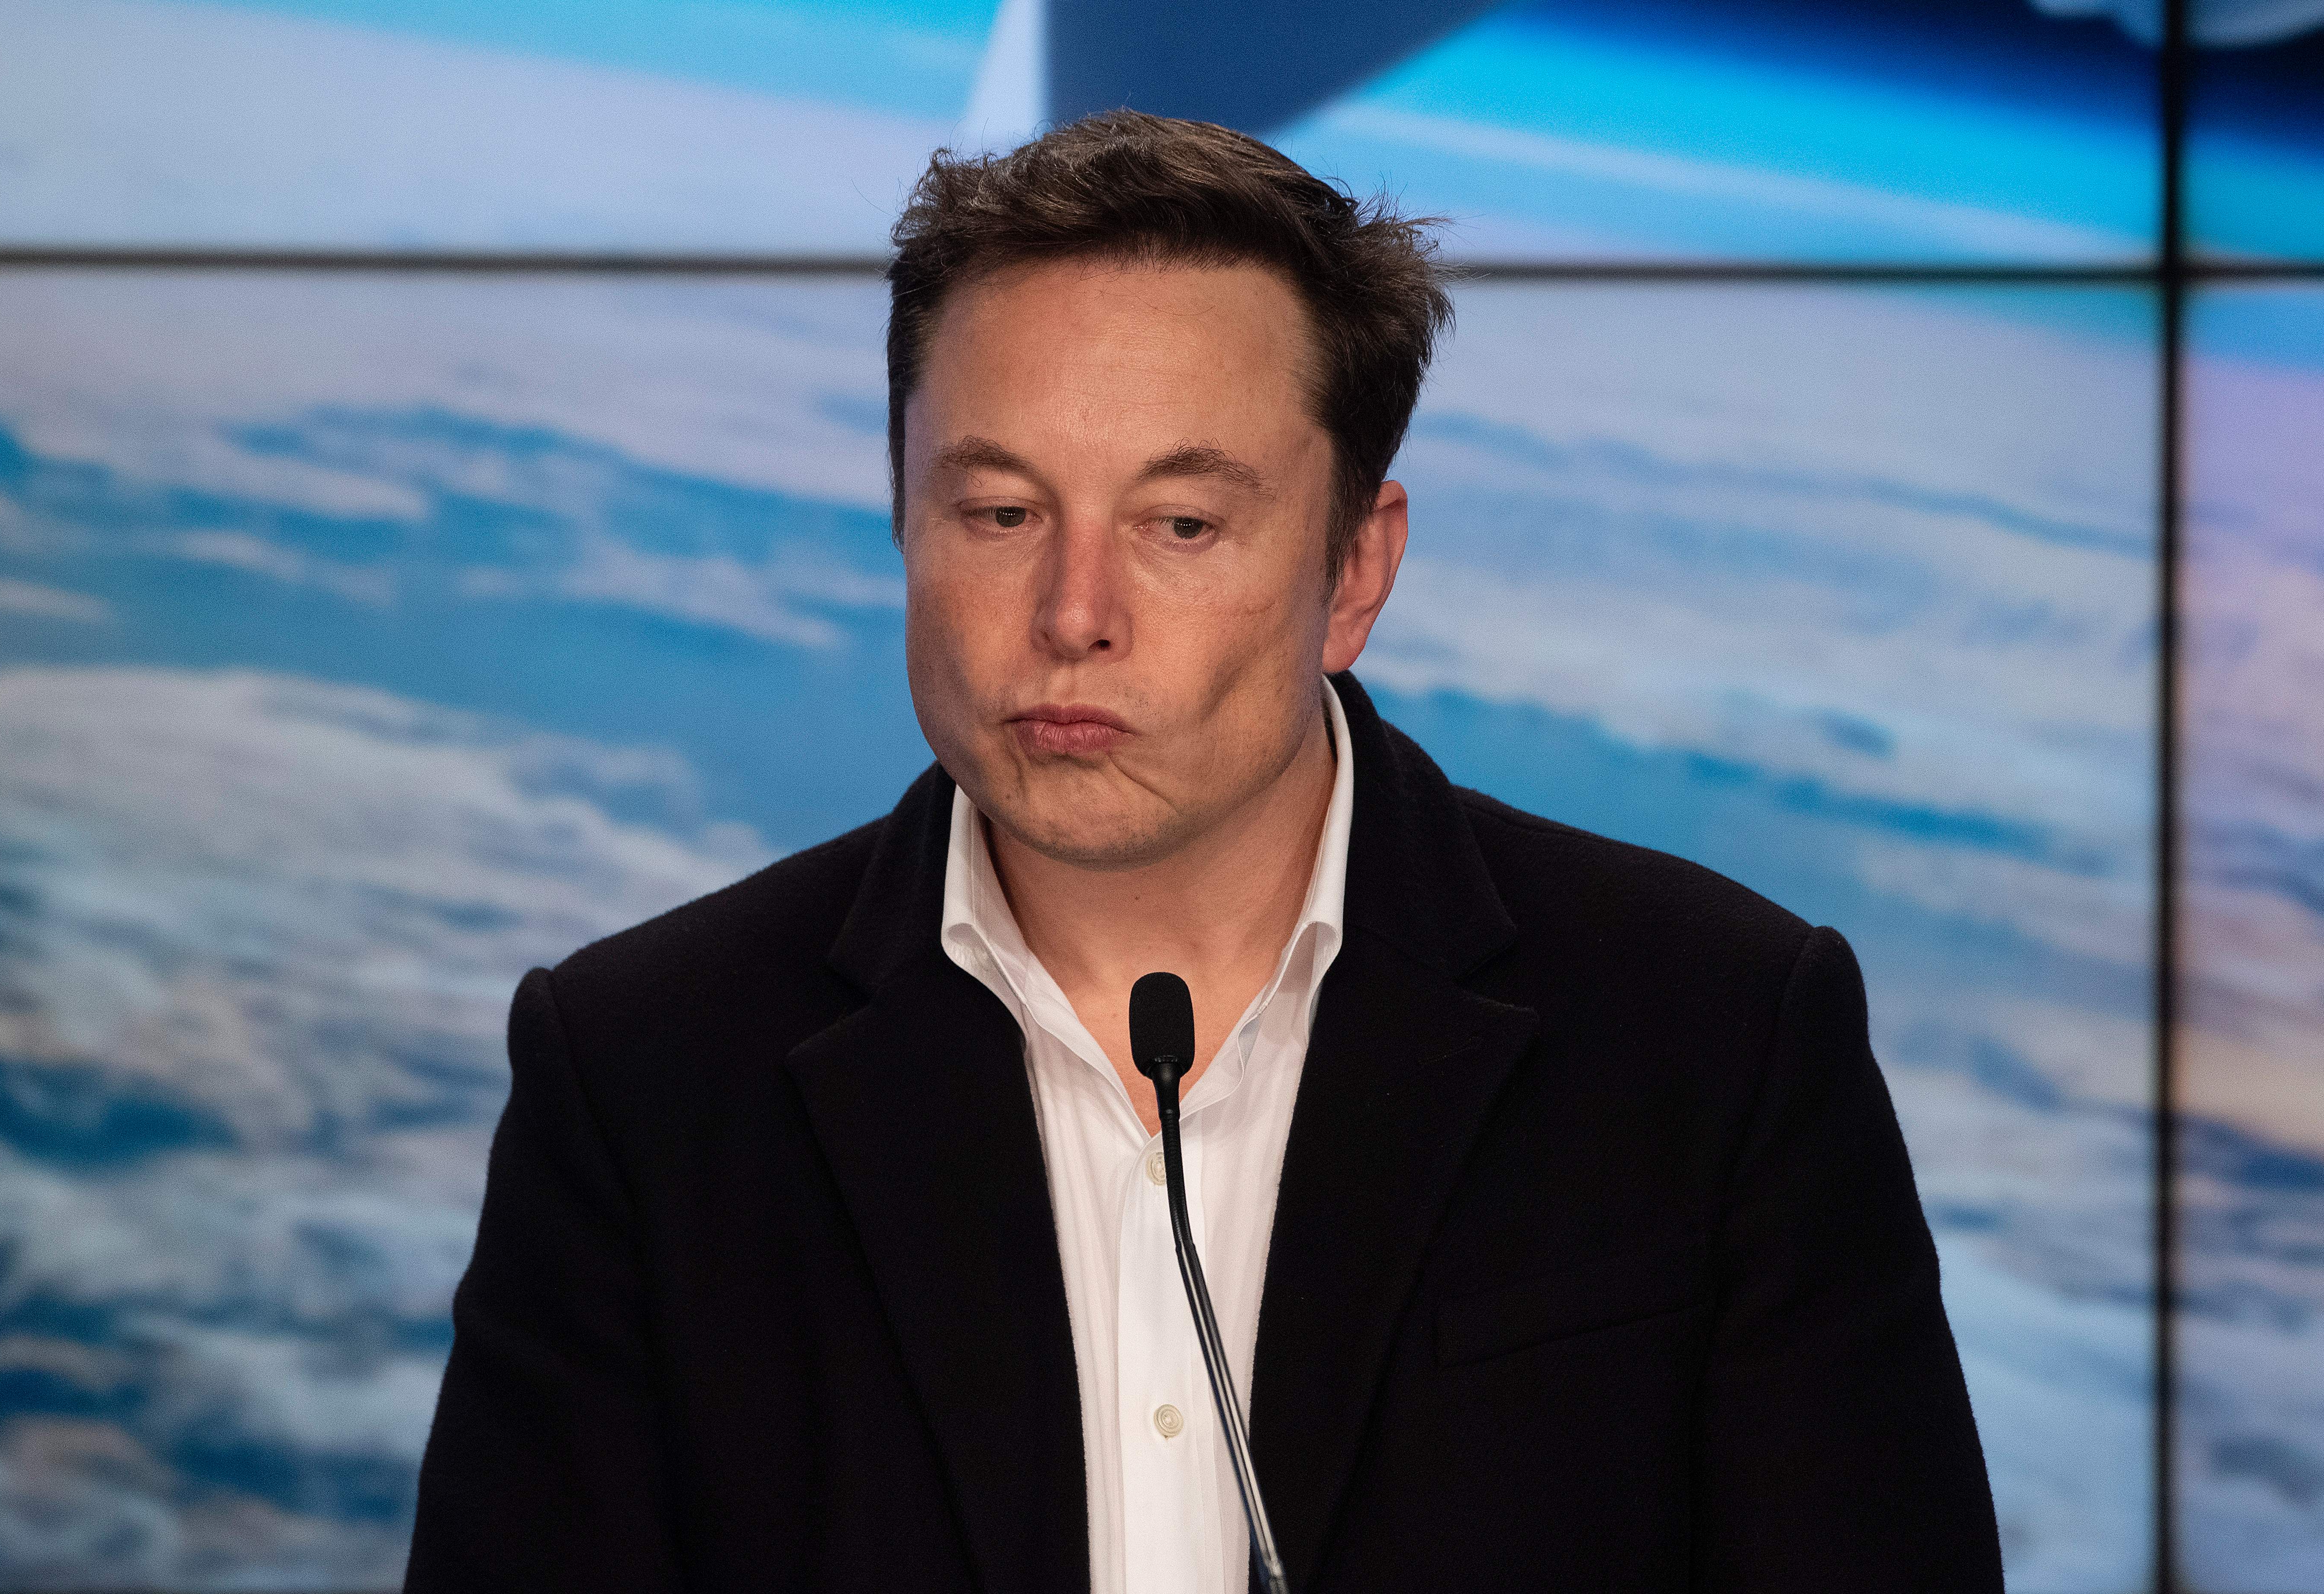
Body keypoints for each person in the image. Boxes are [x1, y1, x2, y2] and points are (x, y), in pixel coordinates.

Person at [404, 112, 2003, 1594]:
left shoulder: (1717, 1038)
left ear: (1356, 568)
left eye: (1181, 525)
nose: (1074, 613)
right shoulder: (642, 1070)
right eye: (1000, 513)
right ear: (902, 517)